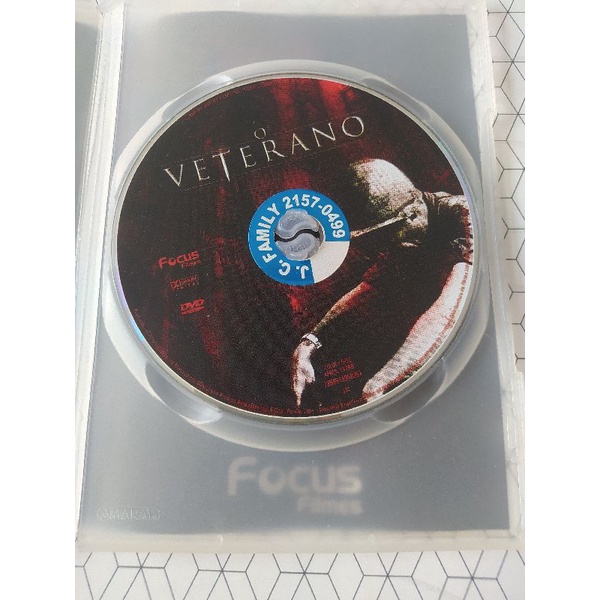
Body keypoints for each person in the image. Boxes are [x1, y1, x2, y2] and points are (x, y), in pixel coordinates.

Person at [291, 158, 473, 408]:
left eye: (384, 234)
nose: (379, 248)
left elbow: (448, 311)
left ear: (413, 213)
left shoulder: (464, 216)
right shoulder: (404, 237)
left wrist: (383, 382)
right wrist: (309, 343)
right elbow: (370, 289)